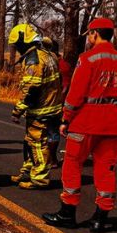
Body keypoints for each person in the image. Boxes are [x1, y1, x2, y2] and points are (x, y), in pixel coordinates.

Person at [42, 18, 117, 233]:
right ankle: (100, 218)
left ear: (95, 33)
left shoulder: (88, 58)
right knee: (107, 170)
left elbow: (75, 94)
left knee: (72, 165)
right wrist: (114, 108)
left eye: (89, 34)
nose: (88, 38)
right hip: (113, 124)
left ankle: (67, 213)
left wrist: (65, 119)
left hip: (85, 122)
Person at [8, 24, 63, 190]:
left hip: (41, 110)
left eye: (17, 45)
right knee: (30, 142)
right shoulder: (47, 54)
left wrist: (17, 111)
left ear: (23, 41)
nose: (16, 49)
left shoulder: (34, 60)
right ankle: (27, 171)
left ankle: (39, 179)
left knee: (38, 144)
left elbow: (31, 90)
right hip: (51, 107)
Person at [41, 37, 72, 167]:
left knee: (52, 131)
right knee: (48, 131)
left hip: (56, 104)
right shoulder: (55, 63)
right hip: (50, 102)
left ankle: (52, 159)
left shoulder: (61, 65)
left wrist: (59, 101)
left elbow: (66, 86)